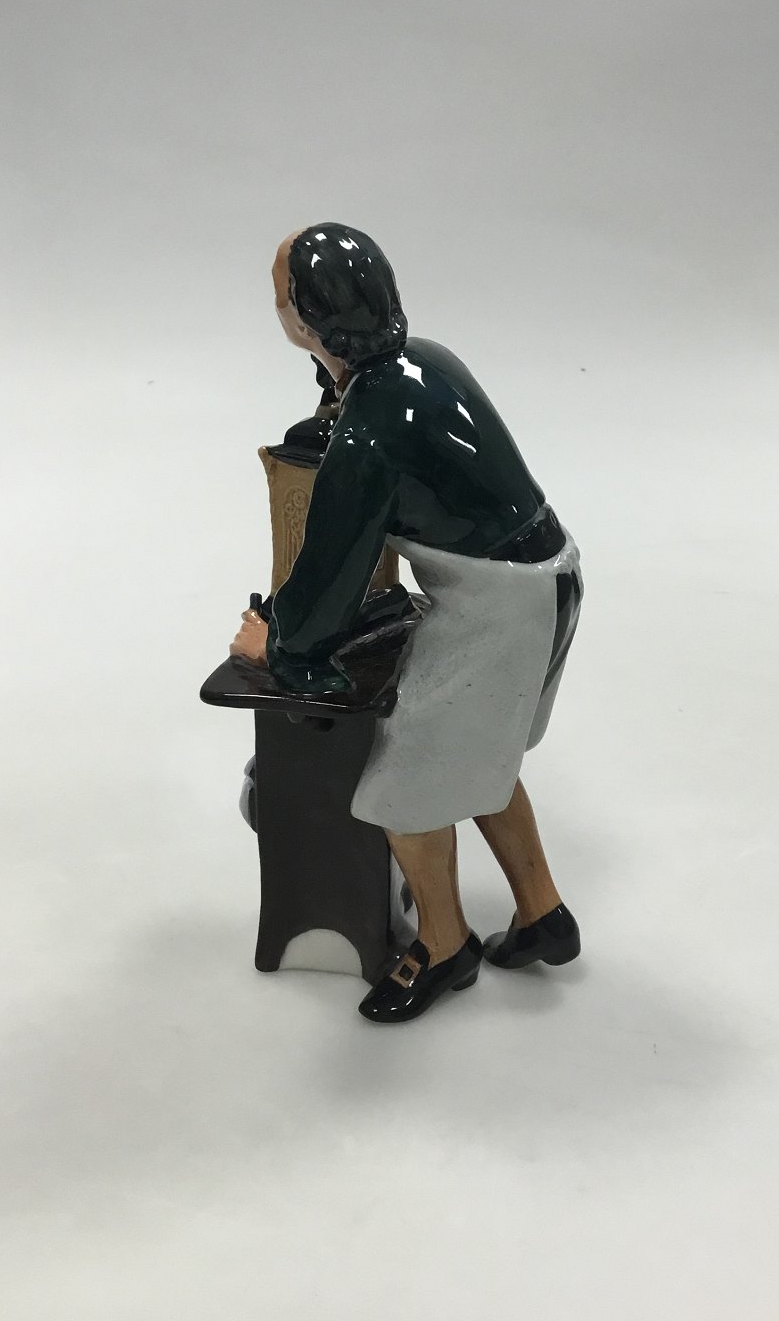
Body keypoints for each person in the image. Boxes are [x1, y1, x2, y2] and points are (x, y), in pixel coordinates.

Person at [232, 224, 584, 1023]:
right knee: (484, 754)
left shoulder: (367, 435)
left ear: (302, 318)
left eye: (279, 296)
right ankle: (542, 912)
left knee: (403, 790)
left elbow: (329, 571)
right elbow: (388, 434)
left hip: (498, 606)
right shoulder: (428, 358)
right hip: (555, 573)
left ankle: (443, 944)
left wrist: (278, 643)